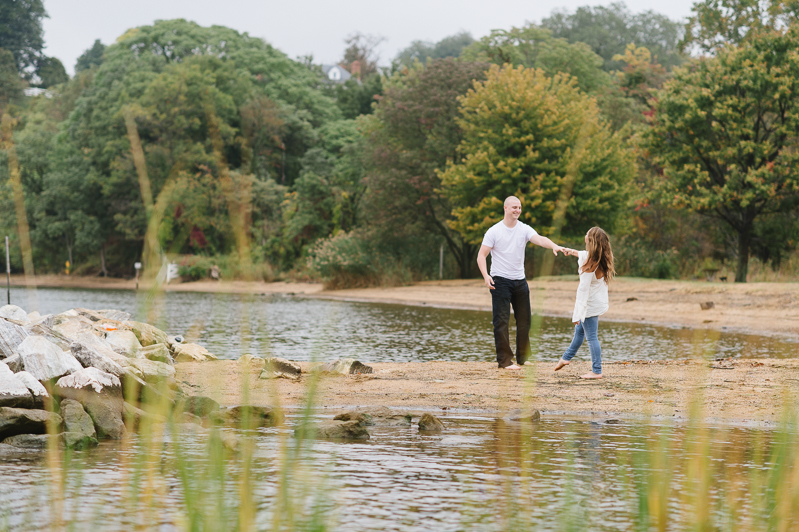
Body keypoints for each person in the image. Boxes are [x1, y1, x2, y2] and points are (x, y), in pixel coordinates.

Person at [477, 196, 569, 370]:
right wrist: (485, 275)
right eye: (514, 207)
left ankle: (523, 357)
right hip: (500, 281)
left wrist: (554, 246)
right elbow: (481, 255)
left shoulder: (524, 229)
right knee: (501, 321)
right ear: (505, 208)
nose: (517, 210)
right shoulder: (494, 231)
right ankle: (504, 361)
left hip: (520, 281)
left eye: (519, 207)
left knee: (525, 320)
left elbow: (541, 239)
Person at [554, 227, 615, 379]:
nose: (585, 235)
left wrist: (577, 314)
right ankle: (566, 358)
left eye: (587, 234)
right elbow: (584, 253)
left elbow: (583, 291)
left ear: (591, 240)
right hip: (595, 302)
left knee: (592, 337)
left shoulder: (590, 263)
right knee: (580, 332)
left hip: (589, 304)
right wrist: (571, 251)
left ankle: (596, 370)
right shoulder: (598, 257)